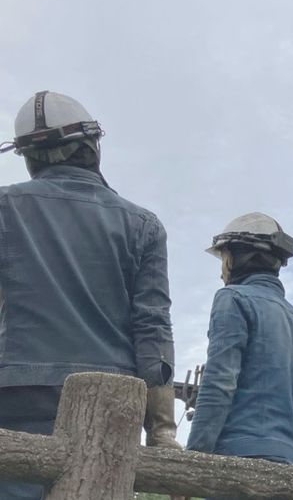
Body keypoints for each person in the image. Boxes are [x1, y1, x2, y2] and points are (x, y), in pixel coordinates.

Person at [0, 91, 177, 499]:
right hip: (111, 407)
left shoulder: (6, 206)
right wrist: (162, 432)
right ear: (92, 146)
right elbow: (153, 334)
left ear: (29, 157)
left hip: (16, 397)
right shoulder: (144, 226)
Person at [186, 212, 293, 467]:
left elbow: (220, 382)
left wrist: (193, 460)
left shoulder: (232, 299)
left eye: (223, 257)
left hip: (237, 462)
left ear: (237, 258)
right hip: (290, 470)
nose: (221, 270)